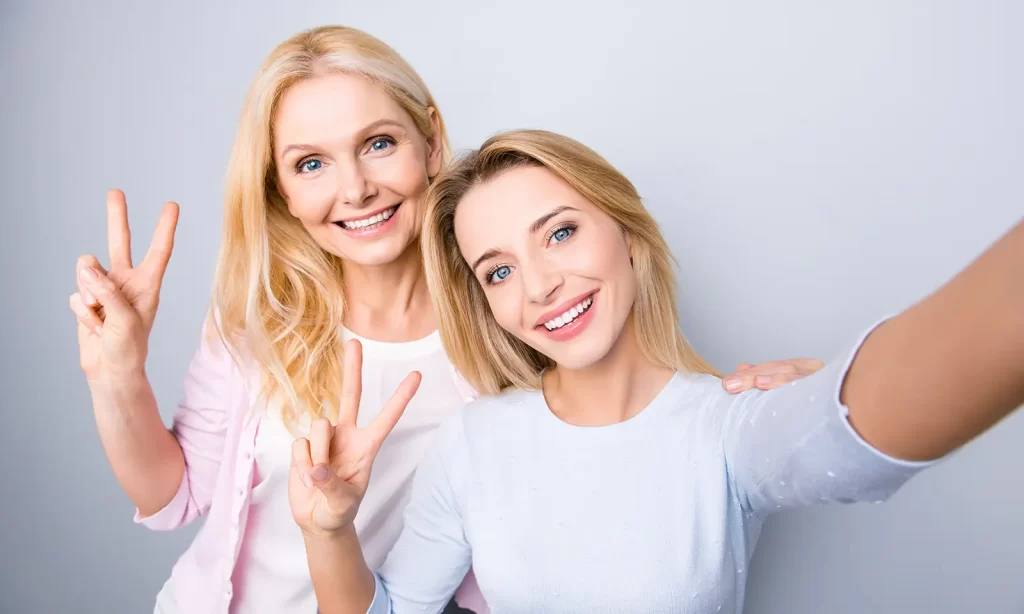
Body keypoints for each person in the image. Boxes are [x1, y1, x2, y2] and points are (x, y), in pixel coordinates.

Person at [66, 28, 817, 614]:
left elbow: (634, 439)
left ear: (430, 139)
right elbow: (172, 497)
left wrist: (788, 399)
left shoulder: (510, 318)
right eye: (311, 164)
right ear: (282, 193)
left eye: (378, 144)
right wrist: (117, 376)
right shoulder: (260, 323)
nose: (356, 189)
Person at [295, 129, 1024, 614]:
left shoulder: (724, 426)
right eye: (499, 271)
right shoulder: (474, 442)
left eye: (561, 232)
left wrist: (841, 386)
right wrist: (329, 531)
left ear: (630, 237)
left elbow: (849, 432)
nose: (541, 285)